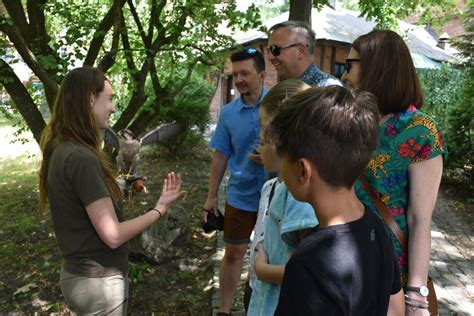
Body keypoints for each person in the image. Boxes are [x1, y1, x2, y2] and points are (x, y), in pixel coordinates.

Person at [38, 67, 185, 315]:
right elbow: (113, 234)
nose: (115, 107)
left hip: (82, 278)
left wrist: (124, 179)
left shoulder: (62, 147)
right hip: (98, 284)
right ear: (90, 99)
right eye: (111, 98)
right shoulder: (81, 158)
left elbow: (86, 200)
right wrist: (159, 210)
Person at [267, 86, 404, 315]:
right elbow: (396, 310)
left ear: (303, 170)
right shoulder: (376, 227)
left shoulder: (309, 263)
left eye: (283, 158)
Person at [342, 30, 447, 315]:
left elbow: (419, 219)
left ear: (374, 66)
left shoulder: (419, 130)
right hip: (343, 259)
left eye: (349, 65)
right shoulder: (351, 121)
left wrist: (415, 297)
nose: (344, 75)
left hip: (390, 273)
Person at [202, 48, 268, 315]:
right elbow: (220, 156)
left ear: (262, 74)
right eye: (235, 73)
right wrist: (210, 196)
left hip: (276, 196)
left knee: (269, 257)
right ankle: (224, 311)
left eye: (245, 73)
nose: (239, 79)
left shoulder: (280, 103)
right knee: (234, 253)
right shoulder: (228, 113)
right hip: (240, 194)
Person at [245, 80, 317, 315]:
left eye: (265, 134)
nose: (259, 140)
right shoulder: (272, 186)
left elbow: (309, 271)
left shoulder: (299, 195)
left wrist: (261, 268)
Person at [267, 20, 342, 86]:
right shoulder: (285, 89)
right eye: (268, 51)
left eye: (275, 49)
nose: (269, 57)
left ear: (301, 51)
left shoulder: (328, 90)